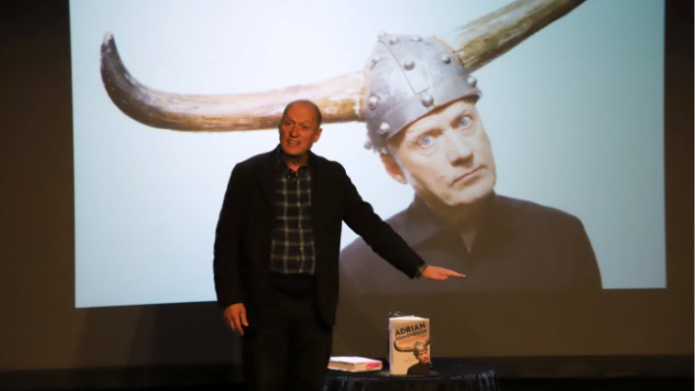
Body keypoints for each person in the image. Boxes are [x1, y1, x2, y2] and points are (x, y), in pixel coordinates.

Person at [213, 100, 464, 391]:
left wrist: (418, 266)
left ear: (316, 135)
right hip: (264, 303)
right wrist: (231, 297)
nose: (294, 132)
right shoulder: (248, 174)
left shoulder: (332, 175)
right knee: (264, 384)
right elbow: (227, 241)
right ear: (280, 127)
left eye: (303, 127)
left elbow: (370, 225)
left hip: (313, 305)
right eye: (288, 123)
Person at [340, 34, 602, 293]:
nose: (462, 152)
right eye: (426, 140)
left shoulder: (560, 237)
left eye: (464, 122)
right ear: (394, 169)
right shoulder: (358, 272)